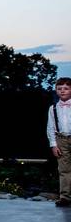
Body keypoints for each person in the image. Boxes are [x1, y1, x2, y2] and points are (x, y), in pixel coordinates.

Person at [48, 77, 71, 207]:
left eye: (66, 88)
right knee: (64, 170)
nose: (62, 91)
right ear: (56, 91)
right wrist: (53, 144)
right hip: (61, 140)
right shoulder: (53, 108)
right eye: (59, 89)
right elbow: (50, 127)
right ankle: (65, 197)